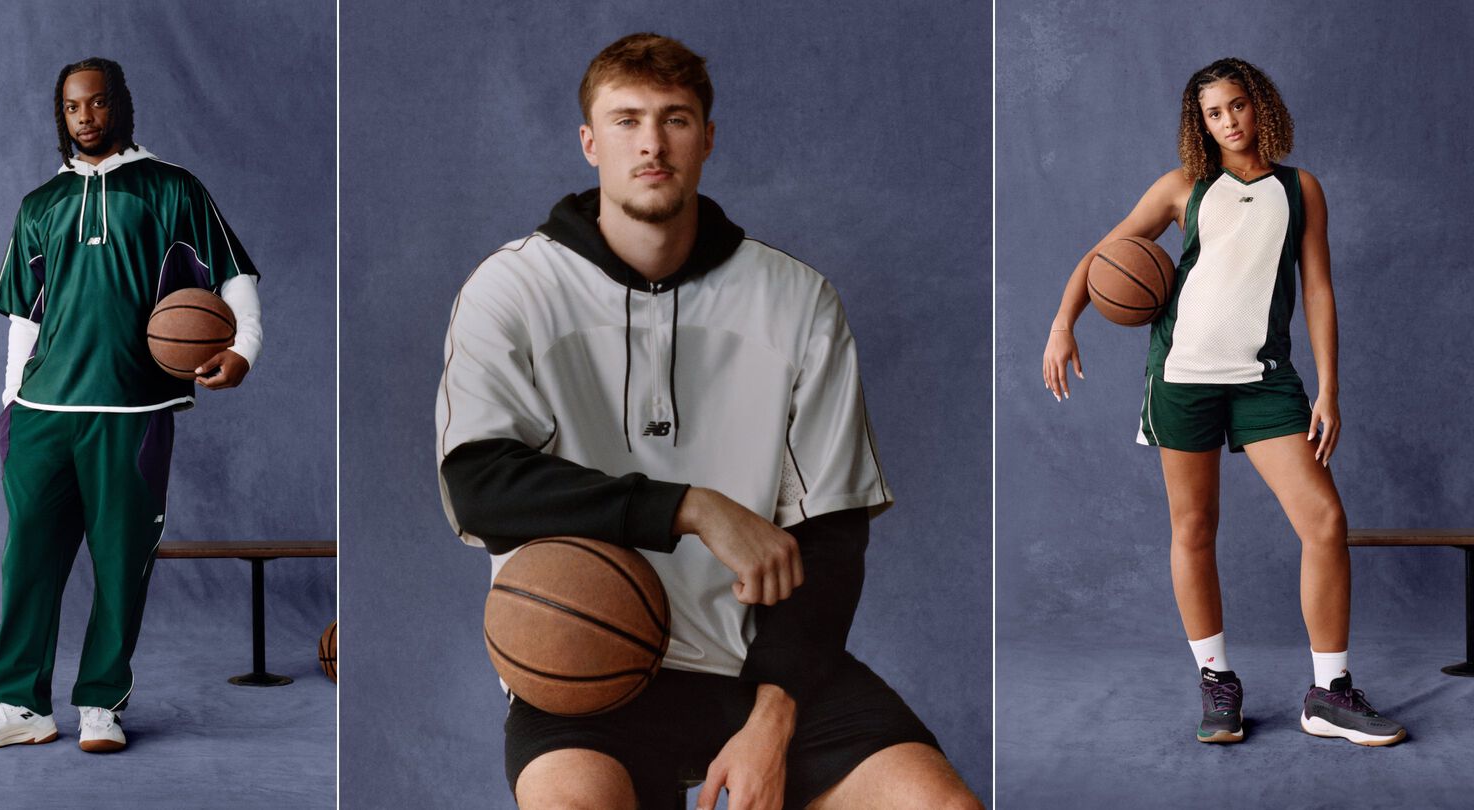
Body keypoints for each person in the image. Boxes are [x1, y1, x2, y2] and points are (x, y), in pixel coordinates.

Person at [436, 33, 981, 810]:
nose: (651, 143)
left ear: (708, 138)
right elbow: (478, 487)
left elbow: (832, 531)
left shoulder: (797, 300)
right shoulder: (511, 290)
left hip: (766, 665)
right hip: (586, 662)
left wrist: (775, 713)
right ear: (589, 143)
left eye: (675, 119)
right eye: (626, 121)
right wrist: (690, 508)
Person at [1041, 57, 1404, 747]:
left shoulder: (1301, 190)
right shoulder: (1184, 187)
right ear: (1198, 123)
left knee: (1324, 521)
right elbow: (1105, 254)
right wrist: (1064, 323)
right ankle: (1217, 681)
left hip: (1266, 380)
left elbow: (1319, 289)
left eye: (1238, 105)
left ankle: (1329, 693)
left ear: (1259, 105)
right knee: (1194, 528)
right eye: (1214, 112)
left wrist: (1330, 386)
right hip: (1182, 376)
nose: (1229, 121)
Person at [0, 57, 263, 754]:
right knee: (27, 559)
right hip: (42, 413)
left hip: (132, 412)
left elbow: (234, 277)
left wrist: (244, 351)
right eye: (72, 108)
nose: (85, 117)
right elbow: (23, 320)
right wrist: (9, 404)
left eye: (97, 103)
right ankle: (19, 705)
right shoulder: (40, 205)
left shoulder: (172, 189)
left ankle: (100, 705)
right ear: (61, 115)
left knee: (122, 564)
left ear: (122, 104)